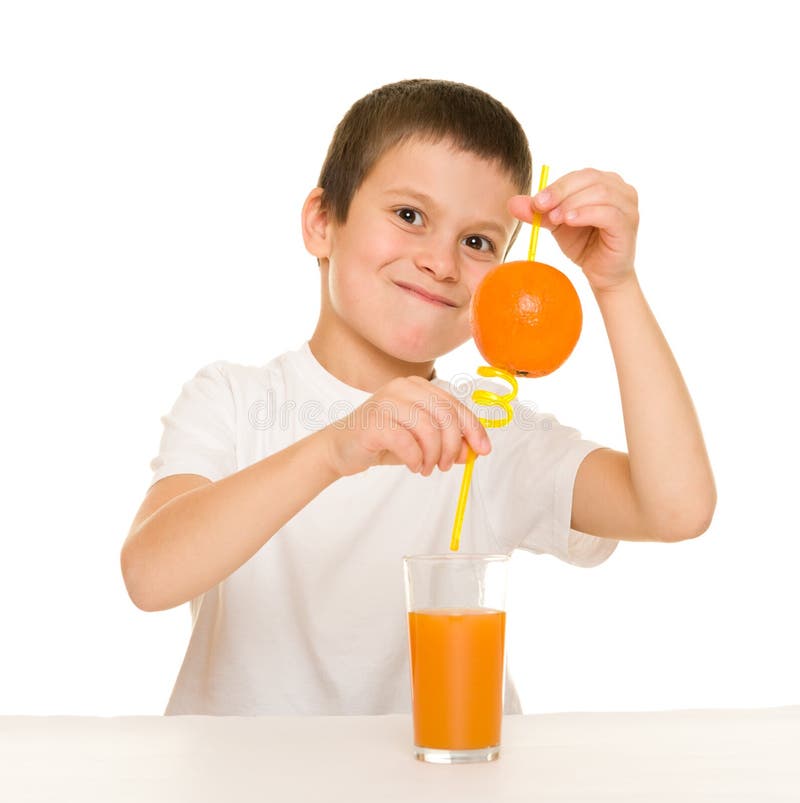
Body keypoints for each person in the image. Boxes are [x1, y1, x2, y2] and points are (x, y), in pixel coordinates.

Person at [121, 78, 716, 716]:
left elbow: (677, 509)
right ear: (323, 222)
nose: (442, 262)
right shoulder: (234, 401)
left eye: (478, 242)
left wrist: (615, 285)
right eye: (410, 217)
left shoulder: (490, 434)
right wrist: (333, 448)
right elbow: (151, 577)